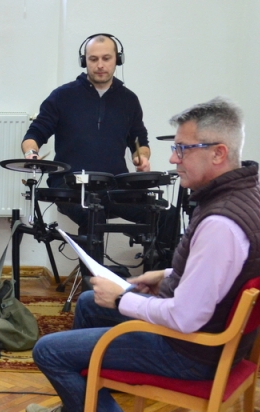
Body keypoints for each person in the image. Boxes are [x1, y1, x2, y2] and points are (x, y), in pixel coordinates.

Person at [25, 97, 260, 412]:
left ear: (219, 153)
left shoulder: (221, 222)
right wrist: (165, 275)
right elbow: (226, 271)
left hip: (194, 351)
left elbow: (186, 318)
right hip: (226, 340)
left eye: (183, 148)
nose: (173, 158)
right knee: (89, 304)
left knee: (49, 351)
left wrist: (123, 298)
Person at [21, 34, 174, 264]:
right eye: (93, 59)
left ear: (117, 59)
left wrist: (141, 157)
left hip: (114, 185)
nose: (100, 65)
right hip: (71, 186)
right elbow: (33, 135)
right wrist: (31, 153)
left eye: (106, 58)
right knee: (94, 213)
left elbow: (140, 142)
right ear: (84, 61)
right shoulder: (62, 96)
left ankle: (159, 278)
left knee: (167, 214)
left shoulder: (129, 100)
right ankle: (93, 283)